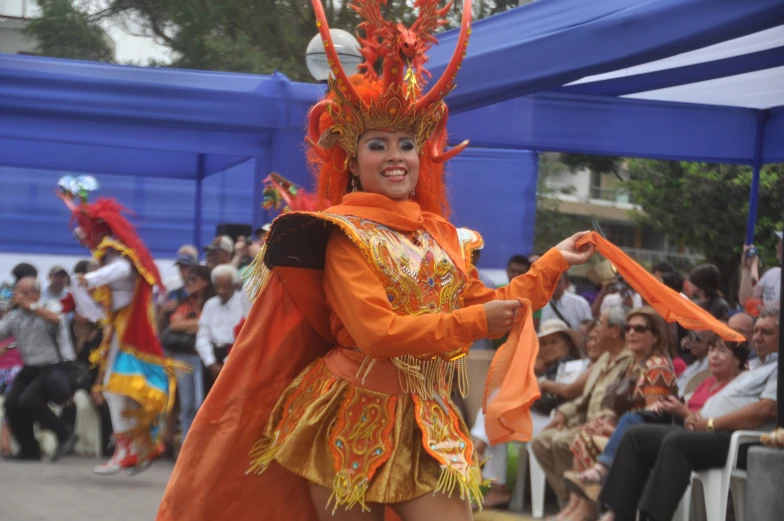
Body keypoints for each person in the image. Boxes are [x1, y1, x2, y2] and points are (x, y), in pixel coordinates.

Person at [157, 2, 597, 519]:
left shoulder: (441, 236)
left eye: (407, 143)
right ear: (352, 159)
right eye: (377, 144)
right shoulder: (344, 235)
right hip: (349, 414)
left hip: (427, 416)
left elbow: (489, 303)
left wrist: (550, 265)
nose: (395, 155)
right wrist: (475, 320)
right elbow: (377, 333)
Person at [597, 307, 778, 521]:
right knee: (636, 435)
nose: (757, 337)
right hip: (705, 430)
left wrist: (710, 423)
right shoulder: (755, 367)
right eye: (755, 331)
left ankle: (651, 518)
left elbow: (767, 408)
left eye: (765, 332)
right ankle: (617, 515)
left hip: (734, 438)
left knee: (677, 442)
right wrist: (694, 417)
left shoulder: (778, 367)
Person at [56, 176, 175, 475]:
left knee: (120, 386)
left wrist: (89, 280)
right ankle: (134, 447)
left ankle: (134, 447)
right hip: (119, 328)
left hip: (130, 330)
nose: (84, 240)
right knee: (114, 388)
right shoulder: (107, 253)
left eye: (84, 234)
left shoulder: (115, 251)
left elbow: (124, 269)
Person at [553, 307, 678, 521]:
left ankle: (585, 511)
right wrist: (604, 422)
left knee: (589, 439)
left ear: (655, 336)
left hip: (645, 438)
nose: (631, 333)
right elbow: (626, 410)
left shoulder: (658, 366)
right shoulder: (638, 365)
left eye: (639, 329)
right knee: (585, 435)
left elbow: (651, 418)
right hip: (630, 431)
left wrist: (609, 428)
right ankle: (576, 508)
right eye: (628, 328)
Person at [531, 307, 634, 507]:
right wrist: (563, 412)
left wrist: (601, 421)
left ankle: (580, 505)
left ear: (614, 331)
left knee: (561, 441)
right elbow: (585, 395)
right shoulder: (605, 358)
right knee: (540, 442)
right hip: (582, 418)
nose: (595, 331)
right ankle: (571, 500)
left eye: (601, 325)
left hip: (603, 423)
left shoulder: (628, 360)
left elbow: (622, 402)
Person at [0, 277, 78, 461]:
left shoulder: (50, 306)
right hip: (30, 368)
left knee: (29, 400)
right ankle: (29, 450)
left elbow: (55, 320)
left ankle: (65, 434)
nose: (19, 297)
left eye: (24, 293)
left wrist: (30, 306)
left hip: (53, 367)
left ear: (36, 294)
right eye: (17, 293)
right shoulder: (16, 315)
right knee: (11, 403)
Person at [162, 265, 214, 440]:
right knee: (187, 404)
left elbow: (212, 326)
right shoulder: (185, 302)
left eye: (194, 279)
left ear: (205, 282)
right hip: (184, 357)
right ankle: (187, 443)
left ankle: (200, 444)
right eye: (188, 278)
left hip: (207, 360)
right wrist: (200, 325)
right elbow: (175, 325)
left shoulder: (212, 302)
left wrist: (196, 325)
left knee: (202, 404)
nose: (189, 282)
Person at [195, 264, 244, 387]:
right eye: (217, 287)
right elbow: (202, 336)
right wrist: (211, 364)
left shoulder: (244, 304)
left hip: (236, 359)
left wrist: (227, 365)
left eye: (225, 287)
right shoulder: (210, 305)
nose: (220, 291)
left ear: (235, 286)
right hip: (212, 359)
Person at [739, 230, 782, 314]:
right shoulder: (772, 274)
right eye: (778, 243)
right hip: (763, 324)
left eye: (782, 244)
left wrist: (764, 309)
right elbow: (746, 301)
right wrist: (746, 268)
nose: (778, 247)